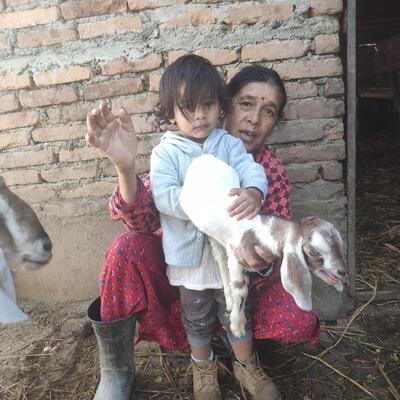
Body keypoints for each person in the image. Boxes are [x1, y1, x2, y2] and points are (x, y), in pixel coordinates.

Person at [86, 60, 320, 400]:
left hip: (234, 266)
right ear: (230, 106)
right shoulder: (168, 153)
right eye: (246, 104)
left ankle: (245, 363)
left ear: (218, 106)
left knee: (238, 309)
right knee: (193, 312)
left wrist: (256, 204)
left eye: (268, 111)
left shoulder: (240, 153)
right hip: (188, 264)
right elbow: (153, 209)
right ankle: (191, 366)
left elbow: (258, 191)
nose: (254, 119)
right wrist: (126, 169)